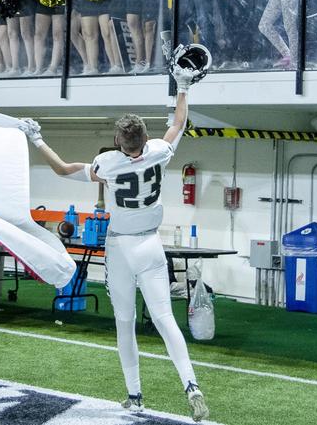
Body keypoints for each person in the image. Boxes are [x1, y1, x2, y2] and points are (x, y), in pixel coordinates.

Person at [19, 63, 209, 423]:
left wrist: (37, 138)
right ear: (143, 137)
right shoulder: (158, 152)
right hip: (151, 244)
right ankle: (191, 385)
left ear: (120, 142)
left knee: (125, 322)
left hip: (121, 247)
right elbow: (178, 124)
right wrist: (183, 87)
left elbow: (61, 169)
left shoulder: (107, 163)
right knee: (166, 319)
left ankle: (135, 396)